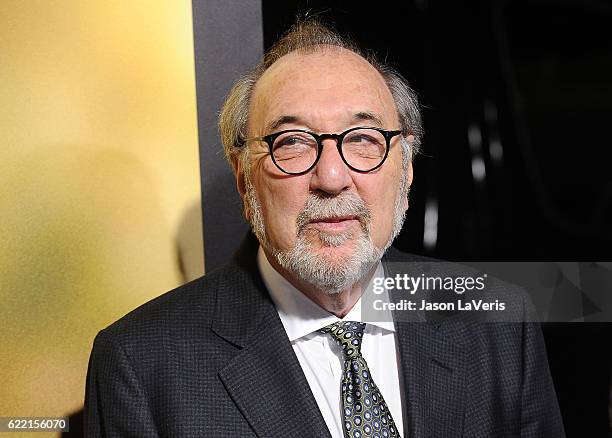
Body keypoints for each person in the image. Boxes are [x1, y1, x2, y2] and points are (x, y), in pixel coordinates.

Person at [85, 19, 565, 437]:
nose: (332, 179)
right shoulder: (142, 365)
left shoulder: (496, 321)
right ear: (243, 174)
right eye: (291, 142)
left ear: (408, 165)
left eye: (362, 139)